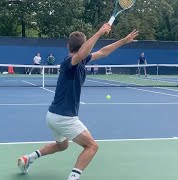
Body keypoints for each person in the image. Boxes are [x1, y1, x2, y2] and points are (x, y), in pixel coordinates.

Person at [17, 23, 139, 180]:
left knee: (62, 146)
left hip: (52, 116)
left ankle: (29, 158)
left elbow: (103, 52)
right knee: (92, 146)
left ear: (68, 45)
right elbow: (81, 54)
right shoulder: (70, 62)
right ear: (83, 47)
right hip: (64, 118)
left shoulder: (81, 60)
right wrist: (100, 32)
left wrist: (123, 41)